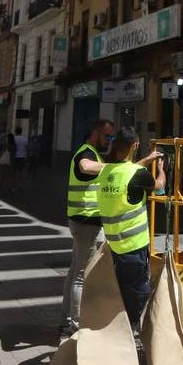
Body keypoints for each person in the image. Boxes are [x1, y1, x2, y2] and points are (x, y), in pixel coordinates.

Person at [97, 126, 166, 328]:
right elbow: (159, 185)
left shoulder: (106, 171)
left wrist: (146, 159)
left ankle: (122, 327)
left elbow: (125, 171)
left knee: (122, 289)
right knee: (137, 292)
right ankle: (137, 330)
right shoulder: (138, 173)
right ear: (135, 145)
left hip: (115, 245)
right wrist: (162, 169)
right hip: (134, 246)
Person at [59, 118, 116, 338]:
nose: (109, 141)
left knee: (75, 271)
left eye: (112, 137)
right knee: (82, 275)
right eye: (107, 136)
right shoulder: (87, 153)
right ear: (95, 133)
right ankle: (76, 326)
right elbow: (85, 166)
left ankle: (66, 319)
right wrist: (115, 167)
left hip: (81, 221)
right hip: (86, 223)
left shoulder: (92, 152)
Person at [11, 128, 28, 192]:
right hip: (22, 157)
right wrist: (26, 157)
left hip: (15, 157)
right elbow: (26, 149)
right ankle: (20, 185)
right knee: (21, 172)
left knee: (14, 173)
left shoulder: (14, 139)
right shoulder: (25, 139)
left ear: (16, 131)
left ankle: (13, 187)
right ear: (21, 131)